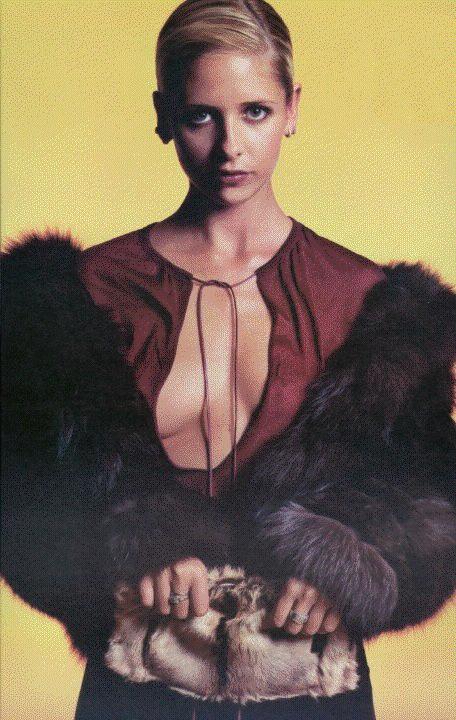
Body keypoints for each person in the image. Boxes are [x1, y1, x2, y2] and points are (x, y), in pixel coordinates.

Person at [2, 1, 455, 719]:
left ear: (292, 110)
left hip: (314, 693)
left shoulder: (373, 308)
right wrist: (125, 552)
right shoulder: (79, 299)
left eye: (255, 112)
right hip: (136, 691)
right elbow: (20, 495)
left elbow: (435, 500)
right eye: (200, 117)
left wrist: (355, 564)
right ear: (163, 116)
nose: (230, 148)